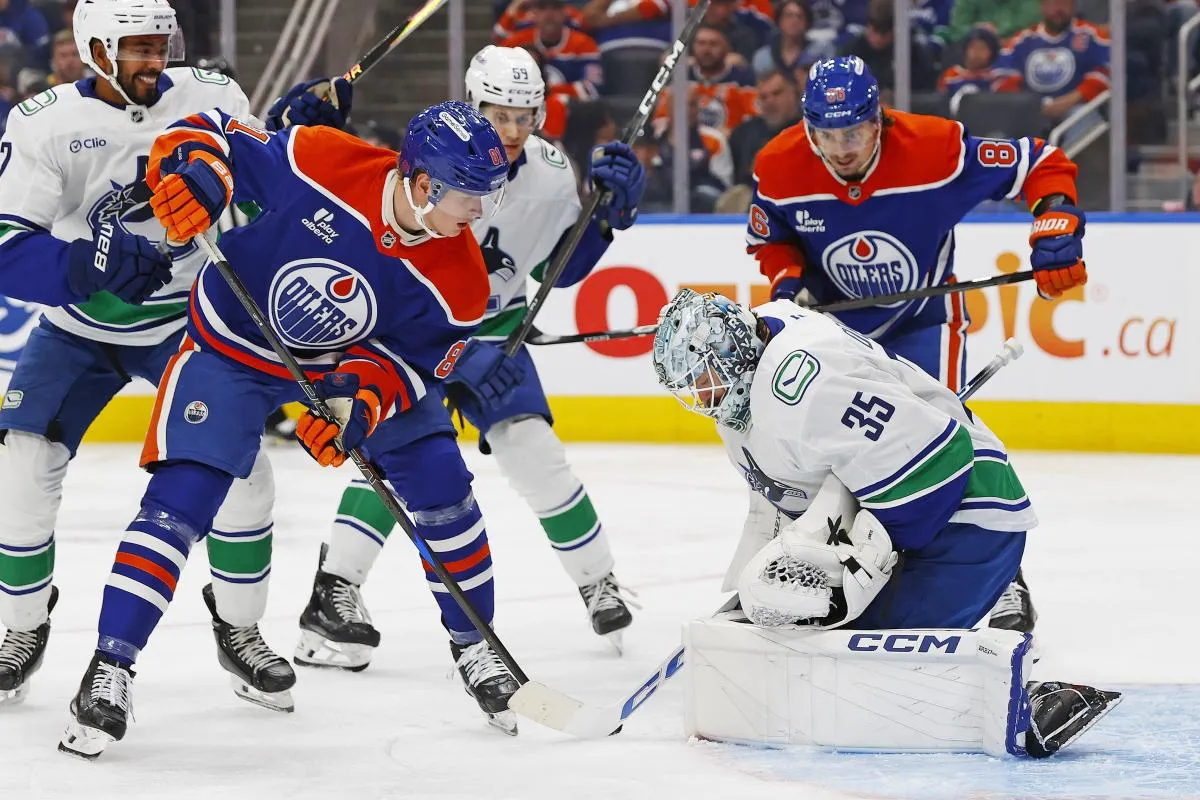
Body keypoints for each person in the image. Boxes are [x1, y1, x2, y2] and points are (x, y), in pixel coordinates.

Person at [0, 0, 339, 714]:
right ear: (94, 50)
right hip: (78, 326)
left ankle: (240, 627)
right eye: (136, 48)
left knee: (243, 470)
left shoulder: (212, 95)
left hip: (191, 320)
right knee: (19, 468)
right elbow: (7, 247)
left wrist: (292, 134)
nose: (155, 60)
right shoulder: (43, 121)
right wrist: (82, 270)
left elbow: (262, 180)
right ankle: (20, 627)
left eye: (161, 44)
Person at [652, 287, 1122, 758]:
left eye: (707, 376)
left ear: (737, 349)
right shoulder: (752, 388)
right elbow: (790, 504)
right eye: (691, 386)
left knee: (845, 668)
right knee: (791, 646)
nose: (702, 395)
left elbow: (939, 467)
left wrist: (853, 575)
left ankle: (1028, 700)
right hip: (906, 525)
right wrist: (757, 592)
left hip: (967, 522)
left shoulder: (801, 382)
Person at [294, 46, 646, 674]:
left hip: (495, 337)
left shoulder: (549, 172)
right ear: (472, 102)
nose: (512, 132)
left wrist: (606, 220)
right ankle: (333, 590)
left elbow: (559, 270)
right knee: (395, 461)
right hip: (413, 337)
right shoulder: (434, 154)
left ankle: (599, 581)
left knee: (536, 453)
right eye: (499, 114)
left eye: (525, 116)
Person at [746, 56, 1090, 633]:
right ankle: (827, 563)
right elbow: (769, 238)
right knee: (832, 452)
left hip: (927, 316)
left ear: (878, 120)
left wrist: (1055, 221)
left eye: (853, 132)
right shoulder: (778, 164)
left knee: (945, 443)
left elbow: (1041, 161)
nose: (841, 148)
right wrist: (789, 283)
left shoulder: (935, 149)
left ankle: (1005, 581)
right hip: (838, 332)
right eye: (826, 134)